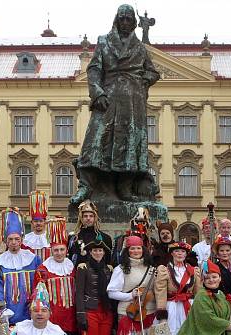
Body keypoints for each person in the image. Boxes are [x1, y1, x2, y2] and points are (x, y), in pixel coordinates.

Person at [72, 4, 160, 204]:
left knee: (130, 143)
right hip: (108, 98)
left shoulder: (140, 48)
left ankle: (125, 187)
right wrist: (97, 93)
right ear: (117, 20)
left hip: (132, 101)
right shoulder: (103, 41)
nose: (126, 22)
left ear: (134, 23)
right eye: (123, 18)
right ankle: (86, 185)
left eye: (129, 19)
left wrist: (140, 81)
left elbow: (153, 72)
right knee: (95, 140)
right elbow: (94, 69)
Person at [107, 235, 163, 335]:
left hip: (149, 313)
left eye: (138, 248)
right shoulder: (121, 269)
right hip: (128, 313)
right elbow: (111, 292)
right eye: (132, 248)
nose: (136, 251)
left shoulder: (152, 268)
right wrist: (130, 295)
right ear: (127, 250)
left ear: (143, 249)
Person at [34, 217, 81, 335]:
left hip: (71, 315)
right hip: (53, 316)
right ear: (51, 251)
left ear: (66, 250)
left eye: (62, 249)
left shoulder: (73, 267)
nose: (59, 253)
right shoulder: (43, 269)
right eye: (56, 250)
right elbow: (38, 295)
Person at [74, 233, 114, 335]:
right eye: (95, 250)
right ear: (90, 252)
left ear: (104, 253)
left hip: (106, 313)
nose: (98, 253)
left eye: (100, 250)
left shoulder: (109, 269)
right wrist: (81, 316)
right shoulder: (83, 268)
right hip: (90, 312)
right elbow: (79, 293)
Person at [0, 208, 40, 324]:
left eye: (17, 239)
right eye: (10, 239)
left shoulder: (33, 259)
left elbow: (39, 283)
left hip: (31, 312)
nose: (14, 242)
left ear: (21, 240)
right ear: (6, 241)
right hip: (9, 313)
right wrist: (1, 310)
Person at [155, 241, 202, 335]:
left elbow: (198, 292)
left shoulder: (193, 270)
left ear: (186, 254)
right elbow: (161, 292)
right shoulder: (164, 270)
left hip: (189, 307)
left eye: (183, 251)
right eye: (176, 251)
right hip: (172, 308)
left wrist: (200, 310)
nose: (180, 253)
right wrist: (162, 314)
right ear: (172, 253)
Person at [68, 200, 113, 266]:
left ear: (95, 218)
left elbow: (108, 260)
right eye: (85, 216)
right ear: (81, 218)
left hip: (98, 274)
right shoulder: (73, 238)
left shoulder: (105, 238)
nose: (88, 218)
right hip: (78, 273)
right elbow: (69, 258)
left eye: (91, 216)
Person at [23, 191, 52, 262]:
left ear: (45, 222)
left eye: (41, 221)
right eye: (35, 221)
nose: (38, 223)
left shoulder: (51, 238)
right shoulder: (25, 239)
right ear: (32, 223)